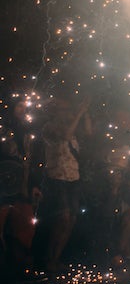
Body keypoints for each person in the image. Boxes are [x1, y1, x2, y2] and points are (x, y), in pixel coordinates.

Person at [34, 95, 92, 274]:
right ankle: (48, 258)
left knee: (71, 220)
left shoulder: (72, 128)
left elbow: (89, 133)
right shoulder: (49, 128)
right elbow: (65, 136)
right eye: (64, 110)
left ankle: (55, 259)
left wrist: (85, 114)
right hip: (56, 178)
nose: (67, 113)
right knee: (63, 218)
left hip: (73, 178)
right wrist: (79, 114)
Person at [0, 96, 44, 282]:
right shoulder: (3, 128)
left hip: (22, 188)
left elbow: (32, 162)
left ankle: (20, 269)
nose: (22, 110)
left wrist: (34, 184)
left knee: (26, 228)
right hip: (3, 187)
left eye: (24, 107)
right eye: (18, 106)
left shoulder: (29, 133)